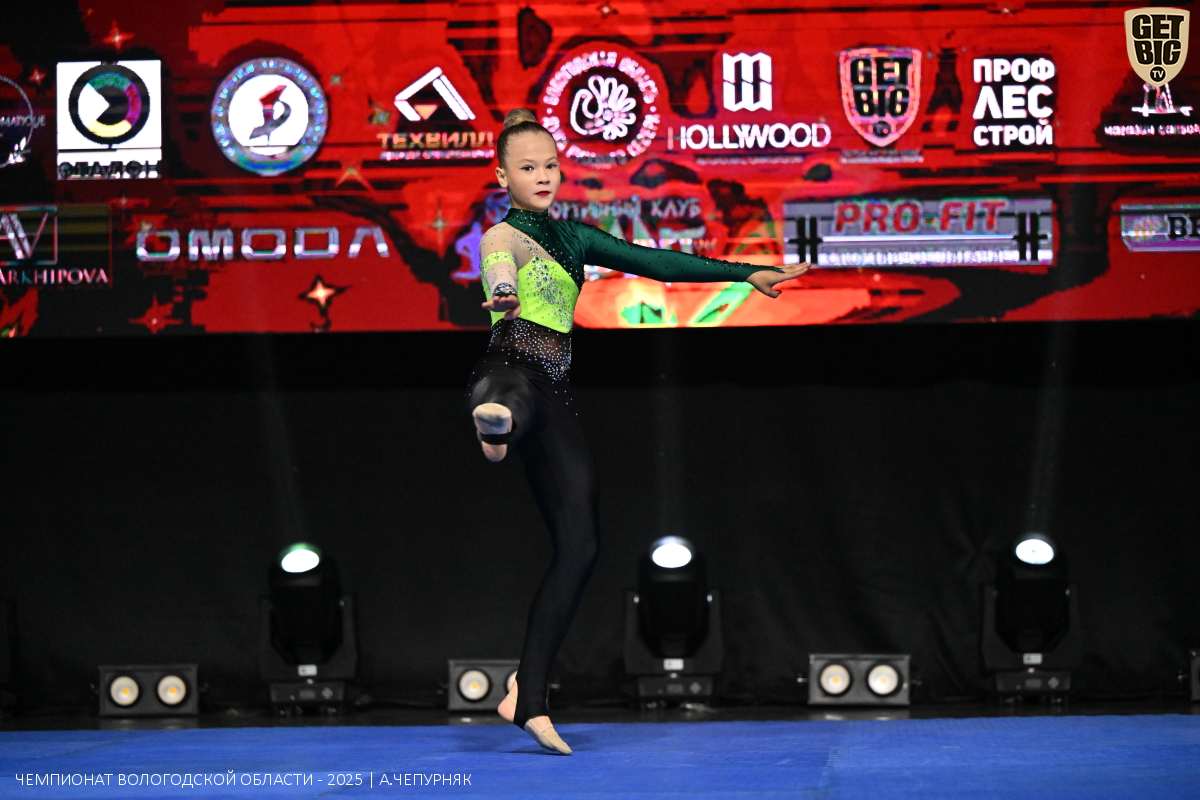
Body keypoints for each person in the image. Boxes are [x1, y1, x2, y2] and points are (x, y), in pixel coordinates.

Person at [466, 108, 809, 755]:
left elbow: (656, 262)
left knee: (581, 546)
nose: (543, 176)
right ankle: (496, 427)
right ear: (503, 176)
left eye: (550, 165)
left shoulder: (575, 238)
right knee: (506, 394)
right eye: (527, 168)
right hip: (510, 367)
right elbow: (499, 267)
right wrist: (504, 293)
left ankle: (526, 694)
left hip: (556, 391)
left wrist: (745, 272)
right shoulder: (499, 237)